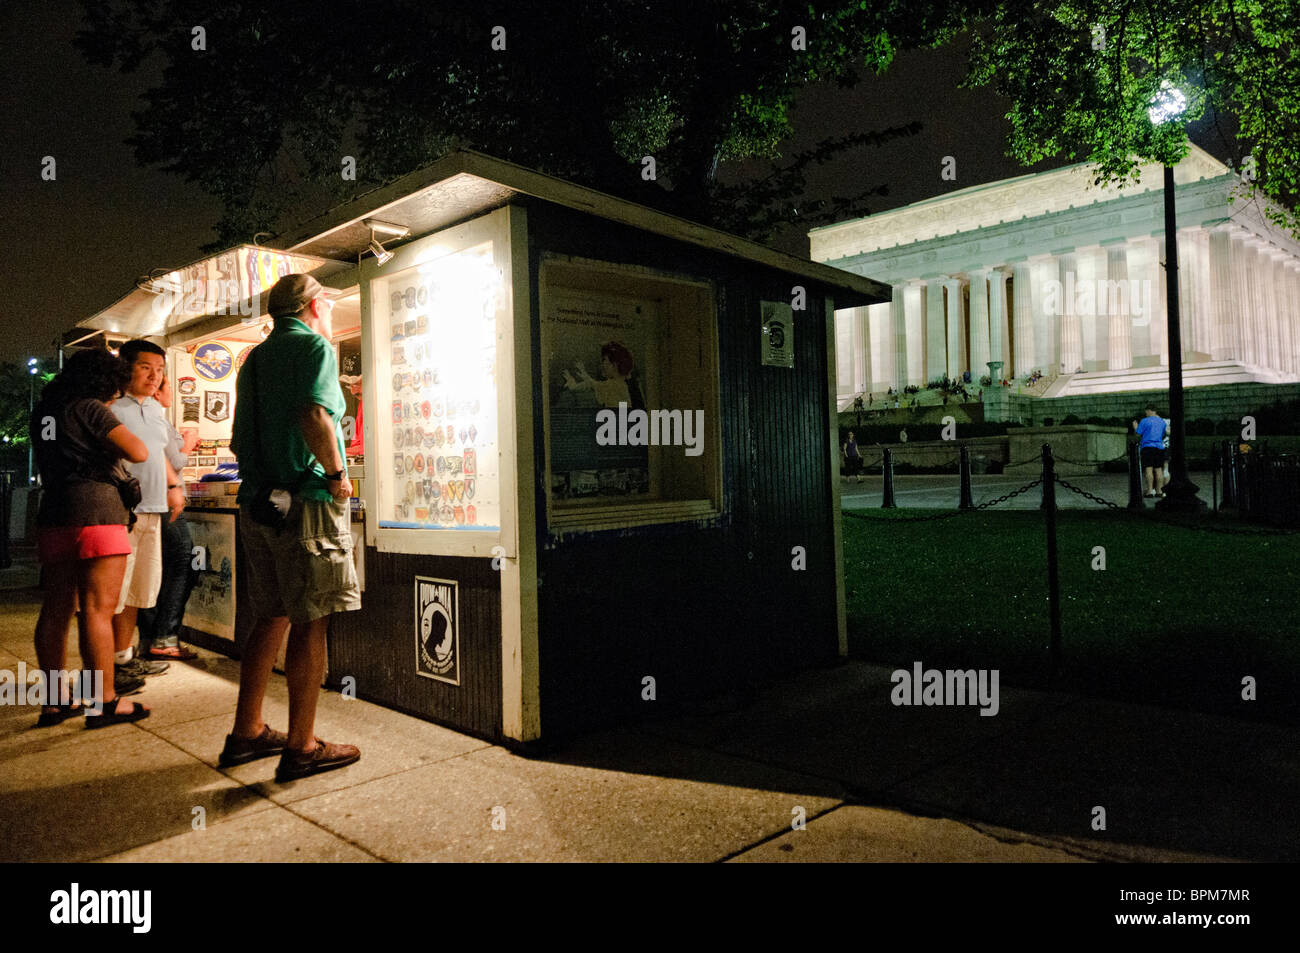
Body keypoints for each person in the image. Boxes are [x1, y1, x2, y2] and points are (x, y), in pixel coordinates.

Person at [225, 274, 361, 782]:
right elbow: (313, 415)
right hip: (306, 501)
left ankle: (247, 731)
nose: (328, 306)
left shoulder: (256, 358)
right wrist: (337, 475)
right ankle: (302, 745)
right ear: (311, 306)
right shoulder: (315, 349)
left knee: (270, 616)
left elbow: (240, 438)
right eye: (325, 298)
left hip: (260, 503)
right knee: (311, 619)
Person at [30, 348, 151, 727]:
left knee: (56, 608)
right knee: (97, 611)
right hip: (97, 512)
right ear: (104, 381)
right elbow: (139, 451)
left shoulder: (44, 412)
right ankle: (104, 702)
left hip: (54, 514)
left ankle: (54, 701)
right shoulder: (91, 408)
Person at [111, 340, 185, 691]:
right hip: (123, 512)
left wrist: (174, 487)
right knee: (115, 593)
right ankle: (106, 665)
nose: (154, 377)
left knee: (139, 592)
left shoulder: (154, 409)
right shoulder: (110, 405)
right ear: (125, 366)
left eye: (159, 370)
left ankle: (124, 659)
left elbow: (159, 455)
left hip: (154, 510)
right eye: (146, 368)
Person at [136, 373, 201, 660]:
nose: (171, 392)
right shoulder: (154, 419)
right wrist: (187, 445)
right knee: (180, 566)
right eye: (168, 387)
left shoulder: (150, 418)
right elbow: (169, 461)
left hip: (157, 503)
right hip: (163, 503)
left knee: (159, 570)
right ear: (157, 393)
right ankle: (164, 636)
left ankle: (150, 638)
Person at [1132, 406, 1168, 497]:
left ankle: (1150, 491)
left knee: (1148, 469)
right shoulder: (1161, 421)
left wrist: (1135, 427)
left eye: (1146, 412)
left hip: (1148, 447)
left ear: (1149, 411)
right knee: (1159, 469)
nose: (1146, 413)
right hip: (1160, 447)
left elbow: (1138, 434)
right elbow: (1163, 433)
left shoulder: (1144, 421)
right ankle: (1159, 491)